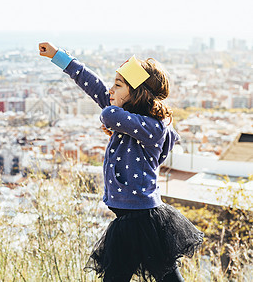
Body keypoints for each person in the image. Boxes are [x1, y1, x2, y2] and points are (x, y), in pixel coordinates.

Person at [39, 42, 204, 282]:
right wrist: (60, 57)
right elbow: (93, 85)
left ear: (137, 93)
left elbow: (109, 115)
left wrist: (111, 109)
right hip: (128, 219)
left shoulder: (152, 128)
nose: (110, 91)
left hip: (143, 218)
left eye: (118, 85)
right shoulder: (127, 117)